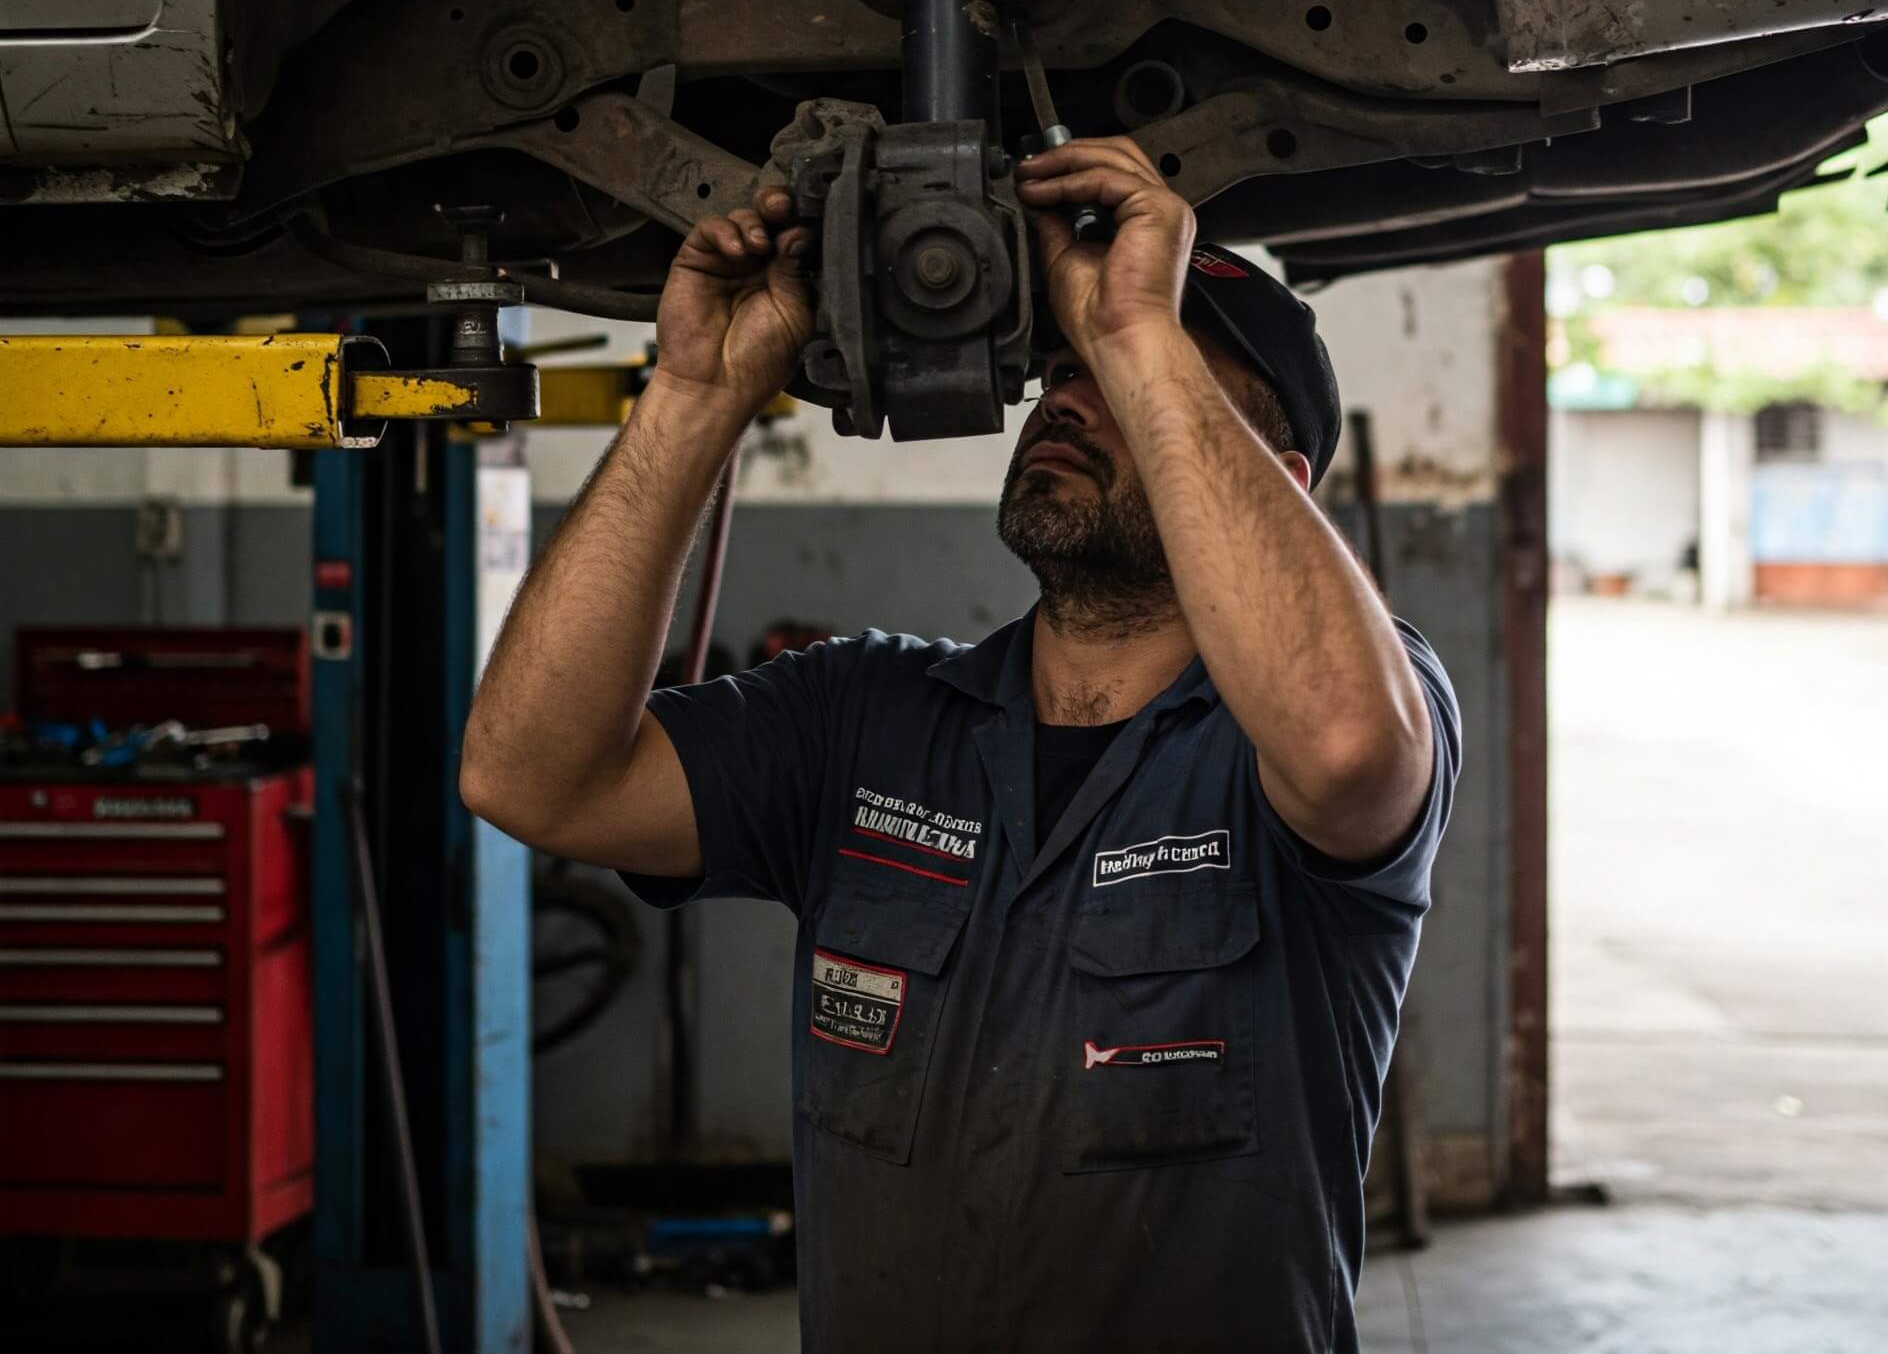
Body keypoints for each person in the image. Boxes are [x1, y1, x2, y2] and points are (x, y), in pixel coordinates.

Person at [461, 135, 1460, 1353]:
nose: (1071, 393)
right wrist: (694, 391)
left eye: (1131, 372)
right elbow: (530, 778)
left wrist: (1135, 326)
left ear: (1276, 478)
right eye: (1064, 365)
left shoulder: (1326, 726)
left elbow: (1349, 746)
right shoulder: (863, 716)